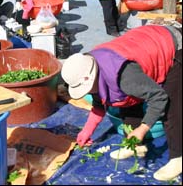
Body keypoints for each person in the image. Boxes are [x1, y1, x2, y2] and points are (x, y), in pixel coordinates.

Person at [61, 25, 182, 181]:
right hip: (142, 44)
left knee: (172, 107)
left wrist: (143, 128)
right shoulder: (92, 68)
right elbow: (99, 103)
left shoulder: (125, 77)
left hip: (171, 45)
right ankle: (134, 145)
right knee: (125, 100)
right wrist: (86, 131)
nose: (89, 91)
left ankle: (178, 157)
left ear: (91, 78)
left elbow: (159, 97)